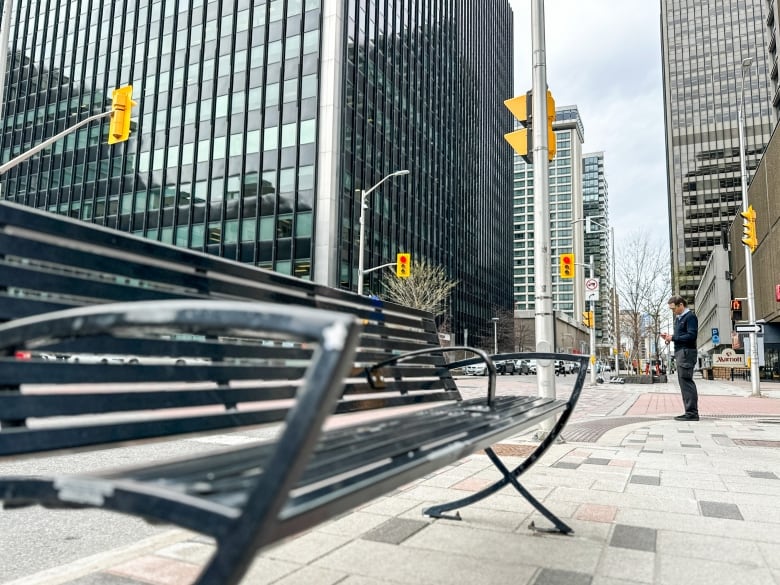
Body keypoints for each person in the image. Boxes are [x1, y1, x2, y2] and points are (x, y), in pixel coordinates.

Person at [660, 296, 699, 421]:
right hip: (681, 352)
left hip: (686, 352)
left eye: (673, 308)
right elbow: (680, 336)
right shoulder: (679, 319)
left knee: (686, 381)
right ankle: (689, 411)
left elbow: (692, 336)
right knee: (683, 382)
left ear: (681, 304)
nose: (673, 311)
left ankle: (692, 413)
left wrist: (673, 338)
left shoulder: (690, 317)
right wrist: (669, 337)